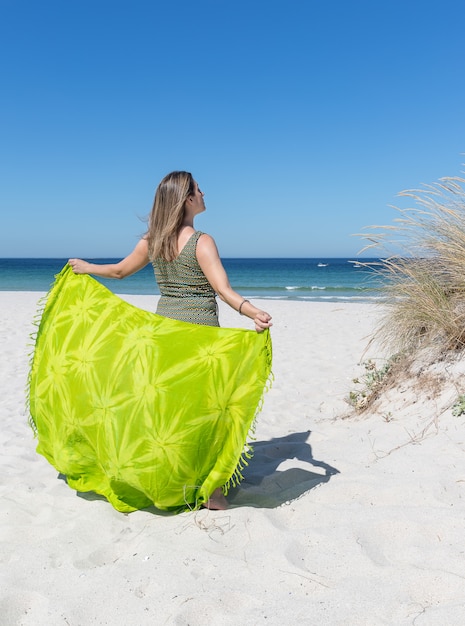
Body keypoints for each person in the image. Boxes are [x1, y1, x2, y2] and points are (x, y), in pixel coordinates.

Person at [68, 170, 272, 510]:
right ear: (187, 199)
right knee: (206, 411)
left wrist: (88, 267)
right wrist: (252, 312)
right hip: (199, 334)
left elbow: (119, 271)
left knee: (169, 412)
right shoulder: (201, 241)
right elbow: (223, 291)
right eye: (198, 189)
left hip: (163, 334)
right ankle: (213, 492)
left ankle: (169, 480)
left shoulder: (152, 241)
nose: (204, 193)